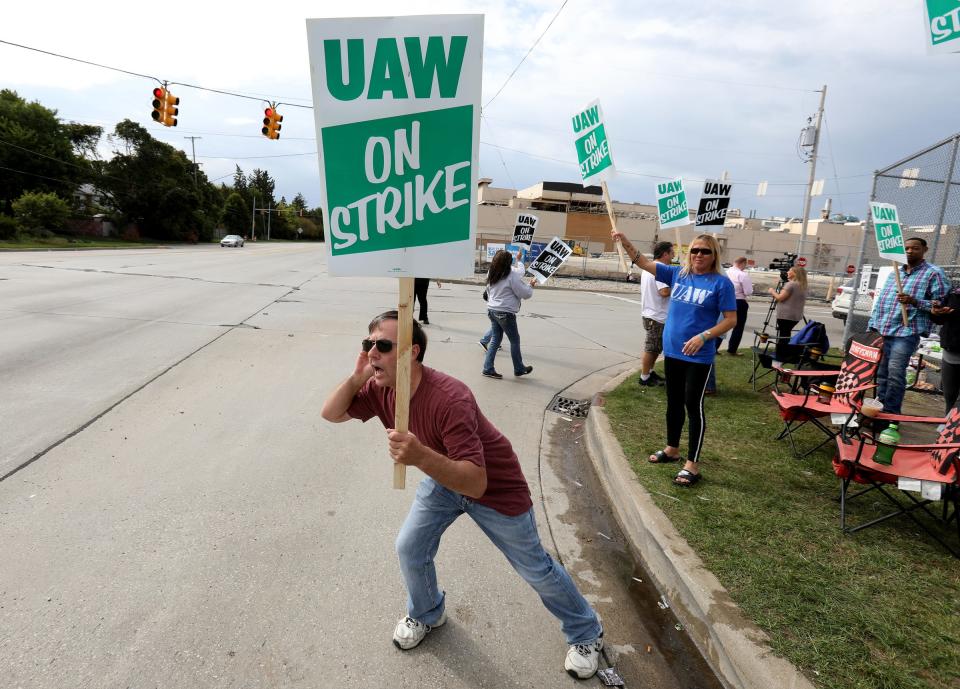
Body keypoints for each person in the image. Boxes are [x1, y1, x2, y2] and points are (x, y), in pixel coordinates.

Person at [320, 312, 604, 679]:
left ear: (412, 353)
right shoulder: (380, 389)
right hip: (442, 480)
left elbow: (476, 484)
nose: (372, 352)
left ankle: (587, 632)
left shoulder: (450, 397)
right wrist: (358, 376)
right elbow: (331, 413)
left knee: (536, 569)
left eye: (384, 346)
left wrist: (419, 455)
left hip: (494, 487)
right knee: (410, 546)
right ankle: (427, 611)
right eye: (367, 344)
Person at [613, 230, 737, 487]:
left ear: (714, 255)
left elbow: (730, 319)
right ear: (688, 253)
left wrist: (705, 336)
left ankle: (692, 463)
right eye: (694, 250)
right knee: (673, 402)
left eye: (705, 251)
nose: (699, 255)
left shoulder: (720, 283)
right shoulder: (678, 274)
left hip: (699, 356)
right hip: (672, 351)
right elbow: (643, 262)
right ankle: (672, 449)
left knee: (693, 406)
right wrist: (625, 242)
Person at [867, 237, 949, 414]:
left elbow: (941, 303)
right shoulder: (895, 272)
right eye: (906, 248)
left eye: (915, 248)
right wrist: (872, 326)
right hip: (884, 331)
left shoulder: (934, 273)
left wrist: (914, 301)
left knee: (895, 375)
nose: (910, 251)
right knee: (881, 375)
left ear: (925, 250)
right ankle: (878, 410)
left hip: (906, 332)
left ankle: (891, 416)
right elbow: (882, 302)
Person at [481, 249, 536, 379]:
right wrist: (531, 285)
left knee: (495, 339)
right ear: (508, 262)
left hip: (492, 310)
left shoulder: (491, 272)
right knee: (514, 340)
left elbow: (488, 290)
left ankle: (487, 368)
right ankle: (519, 368)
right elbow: (525, 293)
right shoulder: (511, 275)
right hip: (505, 312)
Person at [638, 241, 674, 386]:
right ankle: (644, 378)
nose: (673, 255)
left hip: (651, 313)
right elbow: (664, 291)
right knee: (651, 348)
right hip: (657, 315)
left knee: (656, 347)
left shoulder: (650, 267)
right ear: (665, 254)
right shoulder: (661, 269)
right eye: (672, 252)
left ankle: (650, 373)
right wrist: (679, 286)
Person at [767, 266, 808, 362]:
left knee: (783, 335)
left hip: (786, 315)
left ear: (795, 273)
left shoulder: (791, 285)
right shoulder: (803, 285)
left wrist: (772, 291)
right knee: (786, 333)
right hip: (796, 315)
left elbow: (780, 298)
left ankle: (781, 355)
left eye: (790, 271)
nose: (787, 272)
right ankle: (783, 353)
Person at [931, 286, 960, 413]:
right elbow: (939, 320)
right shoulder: (954, 293)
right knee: (950, 396)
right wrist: (936, 312)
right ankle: (947, 427)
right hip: (950, 352)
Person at [725, 257, 753, 355]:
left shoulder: (726, 272)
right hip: (739, 301)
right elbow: (748, 291)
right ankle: (732, 349)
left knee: (721, 324)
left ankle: (715, 347)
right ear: (743, 263)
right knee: (738, 327)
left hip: (725, 300)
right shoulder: (742, 275)